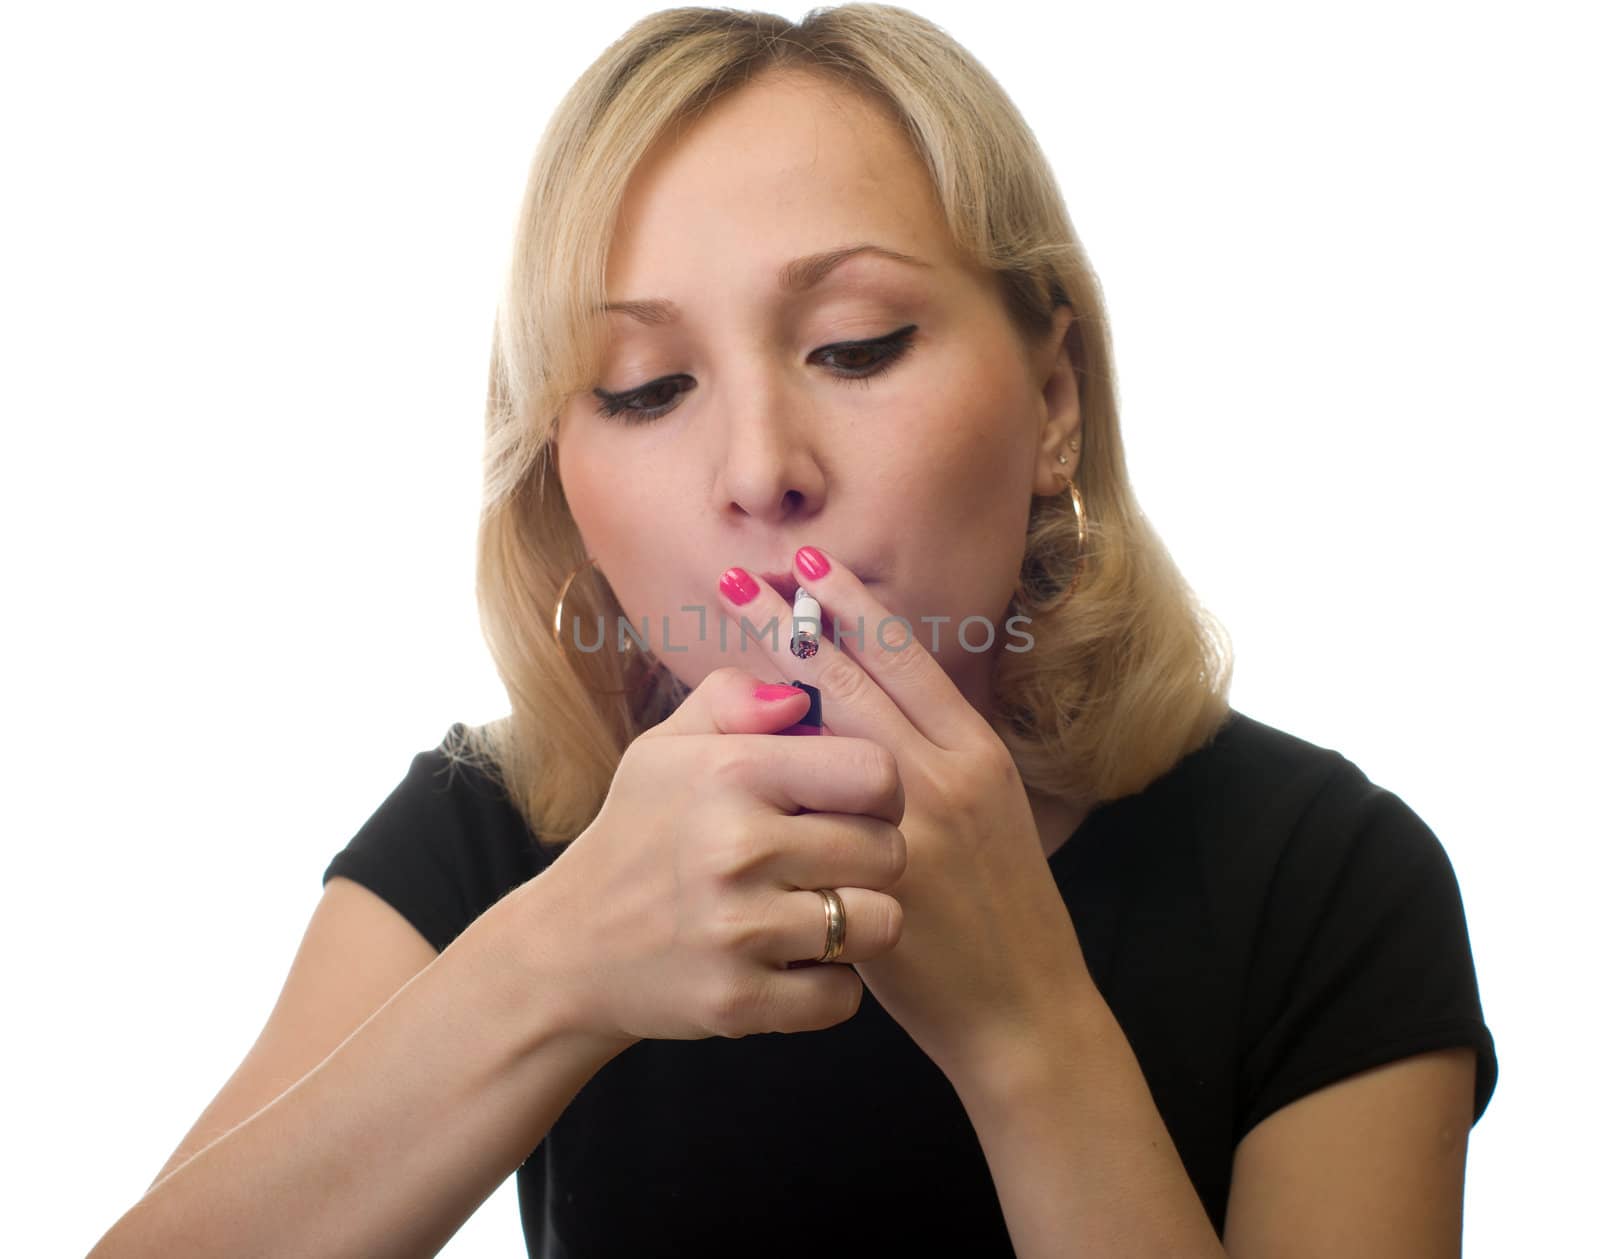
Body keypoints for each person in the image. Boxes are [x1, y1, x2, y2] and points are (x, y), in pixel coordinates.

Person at [88, 5, 1497, 1257]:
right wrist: (555, 963)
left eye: (856, 346)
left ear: (1054, 400)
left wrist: (1031, 1042)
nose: (762, 468)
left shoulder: (1329, 879)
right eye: (646, 387)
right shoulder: (487, 835)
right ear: (565, 487)